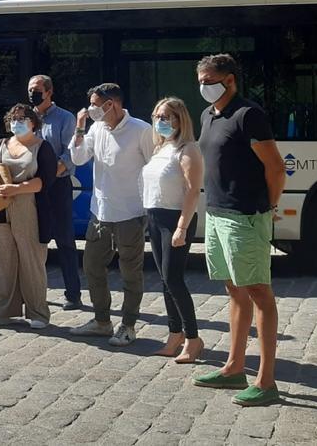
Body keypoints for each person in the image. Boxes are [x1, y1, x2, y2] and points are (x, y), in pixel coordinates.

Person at [191, 54, 285, 407]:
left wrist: (269, 207)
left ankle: (266, 380)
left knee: (259, 291)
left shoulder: (248, 115)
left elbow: (276, 168)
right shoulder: (207, 115)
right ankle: (234, 368)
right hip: (216, 213)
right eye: (200, 80)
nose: (203, 86)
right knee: (234, 290)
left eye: (209, 79)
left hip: (245, 215)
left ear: (230, 80)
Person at [69, 83, 154, 346]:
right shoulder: (96, 128)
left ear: (112, 104)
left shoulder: (141, 130)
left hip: (131, 211)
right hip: (101, 211)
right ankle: (101, 321)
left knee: (130, 271)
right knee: (92, 265)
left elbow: (154, 167)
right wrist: (80, 127)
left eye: (96, 104)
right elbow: (79, 157)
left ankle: (128, 325)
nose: (92, 109)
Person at [0, 104, 57, 328]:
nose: (17, 123)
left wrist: (17, 188)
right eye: (14, 119)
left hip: (29, 205)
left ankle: (38, 312)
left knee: (31, 260)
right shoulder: (0, 144)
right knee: (3, 260)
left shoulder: (43, 148)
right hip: (0, 207)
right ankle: (3, 309)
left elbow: (44, 181)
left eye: (22, 119)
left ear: (33, 122)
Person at [142, 97, 205, 363]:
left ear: (179, 120)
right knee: (165, 281)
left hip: (175, 219)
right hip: (154, 217)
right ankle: (174, 333)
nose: (160, 121)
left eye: (165, 117)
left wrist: (182, 226)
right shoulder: (161, 148)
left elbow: (192, 190)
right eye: (157, 116)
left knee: (174, 279)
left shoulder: (188, 149)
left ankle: (193, 338)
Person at [28, 74, 82, 310]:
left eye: (37, 89)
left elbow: (70, 153)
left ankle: (73, 294)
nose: (32, 93)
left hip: (57, 185)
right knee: (33, 240)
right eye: (30, 89)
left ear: (49, 92)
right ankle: (35, 291)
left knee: (64, 240)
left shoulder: (65, 118)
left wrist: (49, 175)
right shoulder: (26, 117)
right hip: (30, 186)